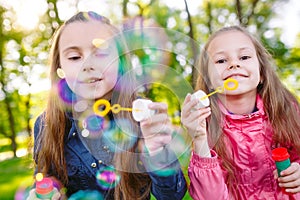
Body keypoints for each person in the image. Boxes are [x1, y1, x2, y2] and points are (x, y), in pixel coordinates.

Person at [29, 11, 187, 199]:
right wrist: (46, 194)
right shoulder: (46, 124)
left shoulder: (142, 116)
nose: (87, 65)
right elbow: (44, 182)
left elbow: (172, 195)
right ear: (60, 68)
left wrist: (157, 151)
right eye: (74, 57)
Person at [181, 25, 300, 199]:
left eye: (244, 57)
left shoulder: (286, 110)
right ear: (208, 80)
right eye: (221, 61)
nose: (234, 64)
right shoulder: (204, 125)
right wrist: (199, 140)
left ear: (262, 71)